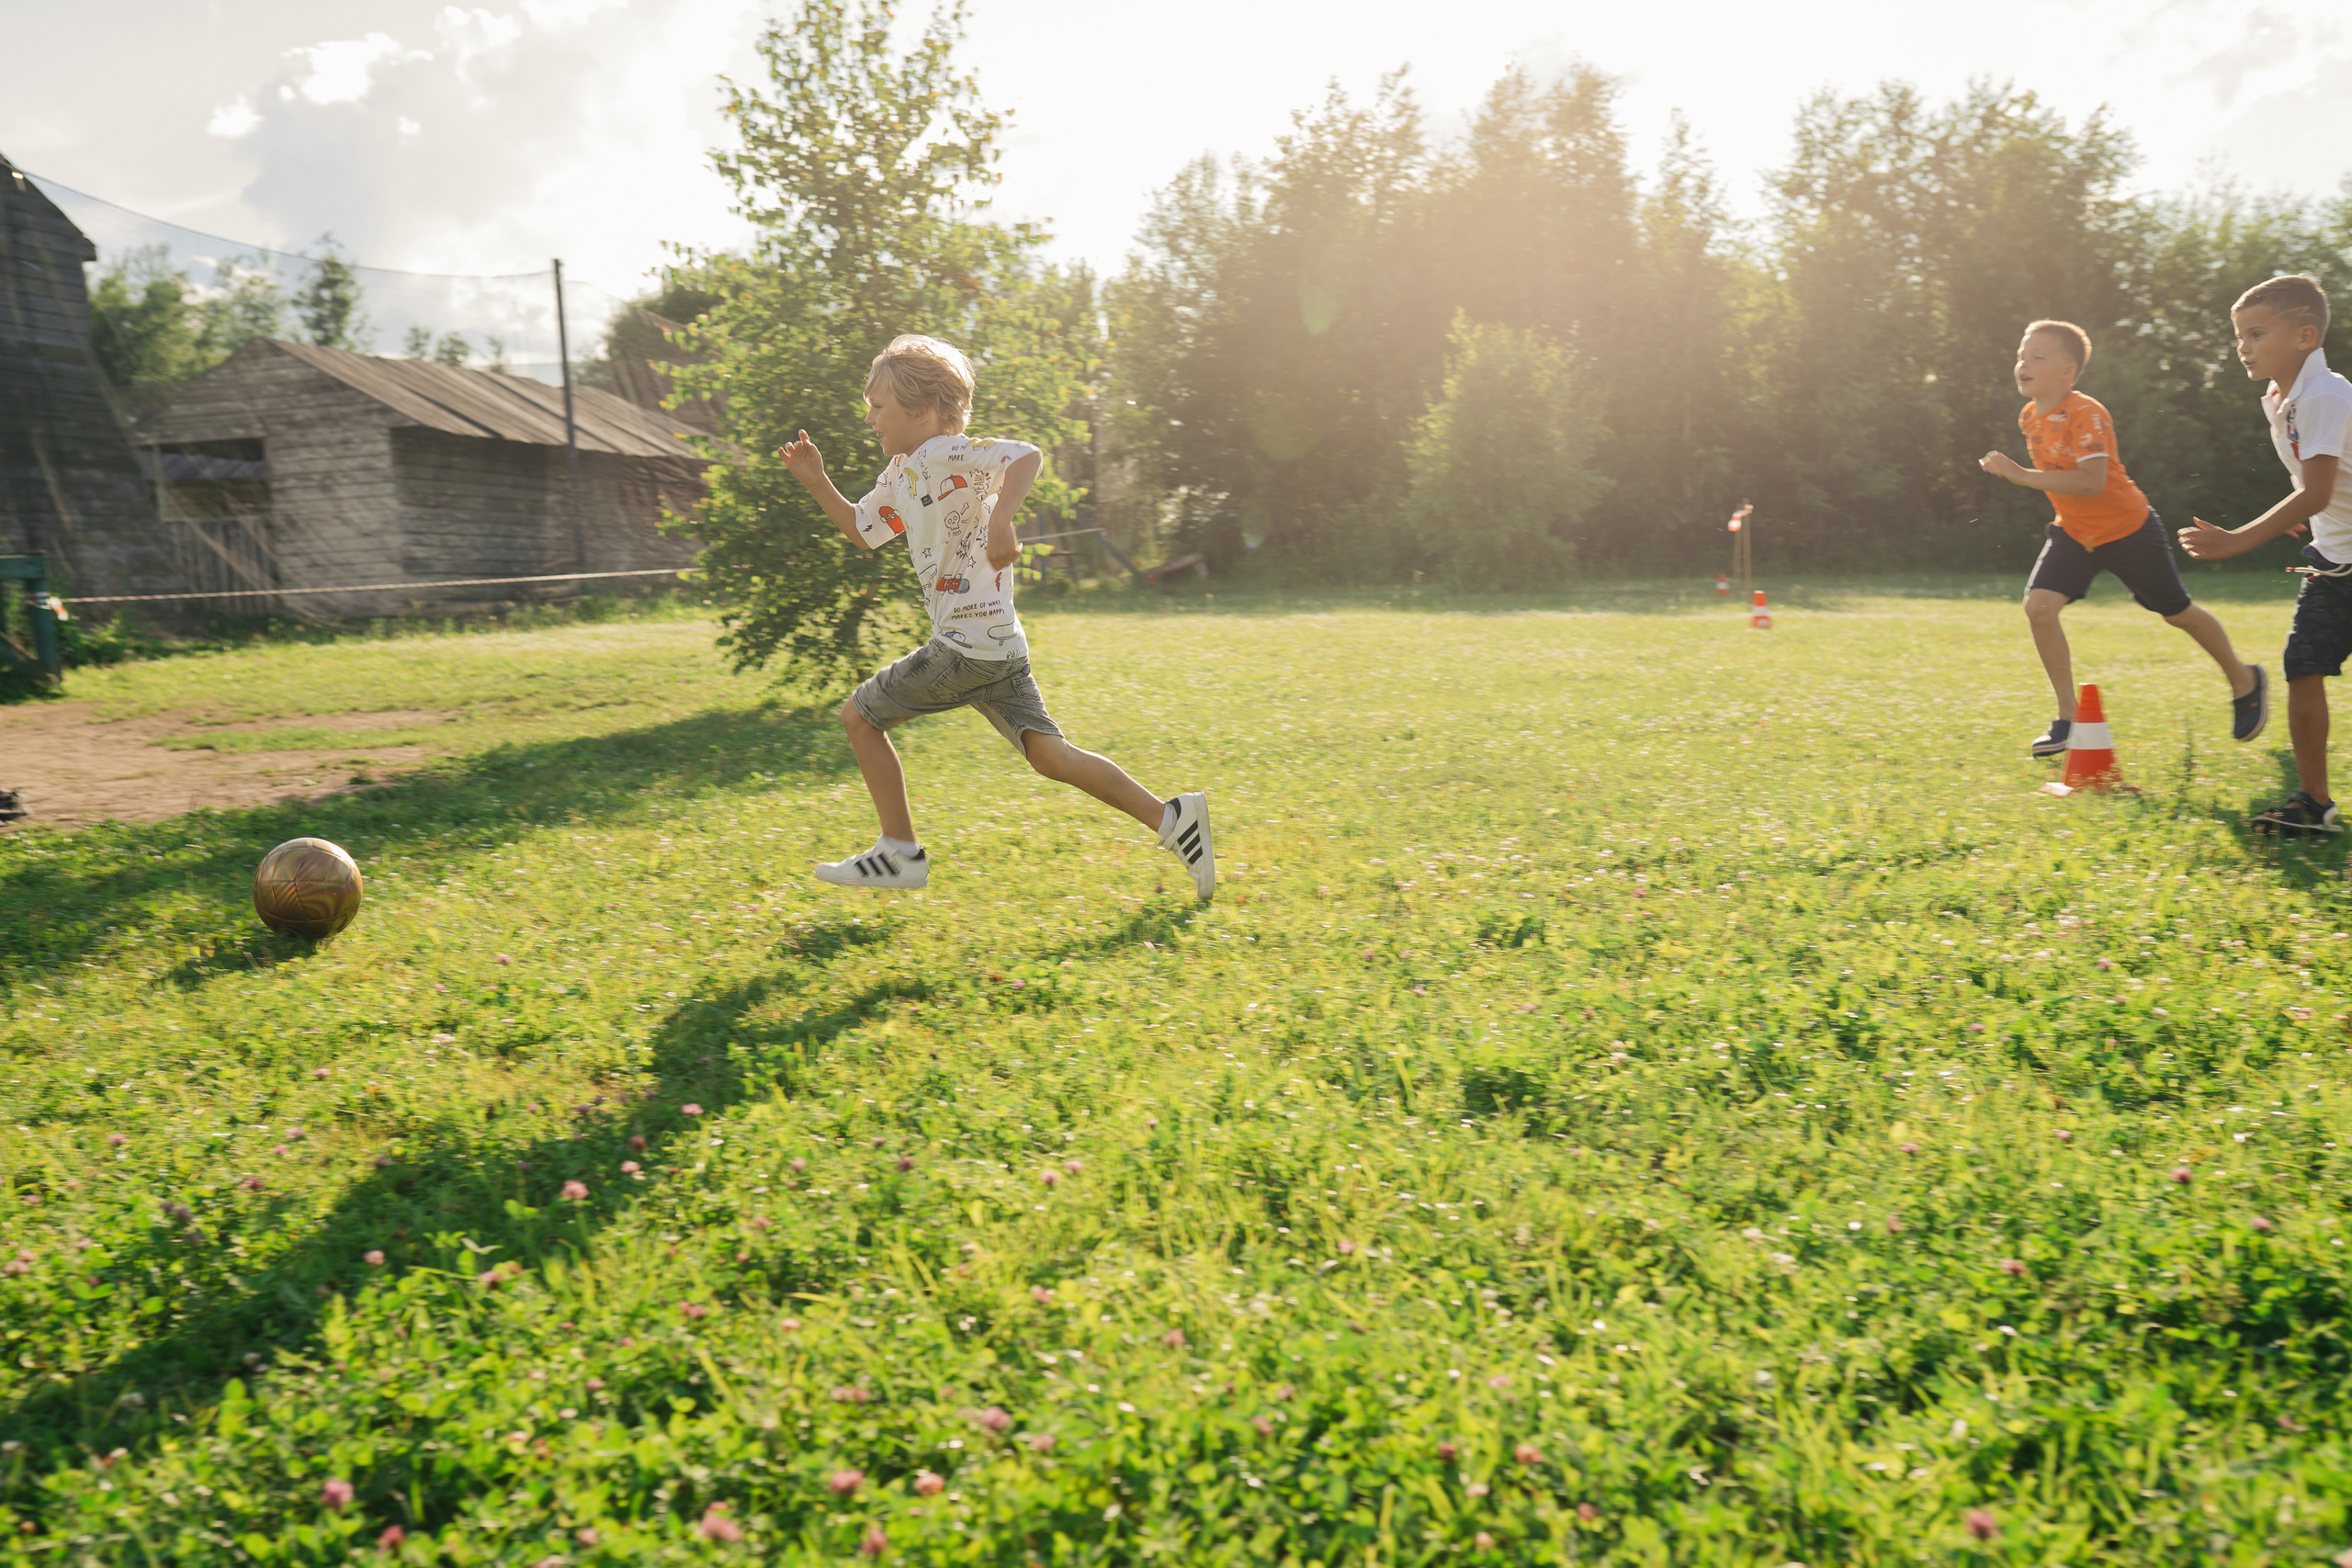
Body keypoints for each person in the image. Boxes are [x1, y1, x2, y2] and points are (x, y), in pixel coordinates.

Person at [777, 333, 1216, 894]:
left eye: (879, 407)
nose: (870, 419)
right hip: (997, 643)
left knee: (860, 718)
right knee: (1049, 755)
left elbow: (1026, 456)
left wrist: (1003, 520)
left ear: (923, 411)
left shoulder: (944, 450)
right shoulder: (903, 472)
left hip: (965, 645)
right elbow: (866, 532)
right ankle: (1174, 819)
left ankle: (899, 852)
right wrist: (817, 482)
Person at [1979, 319, 2267, 759]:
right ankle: (2068, 717)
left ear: (2068, 372)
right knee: (2038, 607)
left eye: (2038, 356)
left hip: (2128, 529)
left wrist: (2020, 476)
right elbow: (2065, 484)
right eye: (2022, 355)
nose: (2023, 363)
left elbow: (2093, 482)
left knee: (2177, 613)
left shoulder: (2087, 413)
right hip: (2075, 532)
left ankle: (2245, 680)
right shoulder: (2029, 416)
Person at [2177, 275, 2350, 834]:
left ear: (2304, 336)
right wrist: (2306, 516)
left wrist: (2237, 539)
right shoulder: (2282, 397)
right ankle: (2313, 804)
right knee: (2303, 666)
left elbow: (2318, 488)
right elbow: (2320, 484)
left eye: (2256, 333)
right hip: (2334, 561)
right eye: (2238, 337)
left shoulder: (2323, 394)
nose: (2242, 347)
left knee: (2304, 665)